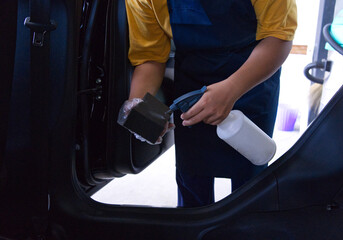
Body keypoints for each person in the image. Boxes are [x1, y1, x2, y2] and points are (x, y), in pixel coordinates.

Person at [123, 0, 297, 208]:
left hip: (253, 75)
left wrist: (232, 88)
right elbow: (150, 56)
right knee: (192, 176)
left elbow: (278, 37)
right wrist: (139, 106)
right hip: (193, 80)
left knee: (250, 181)